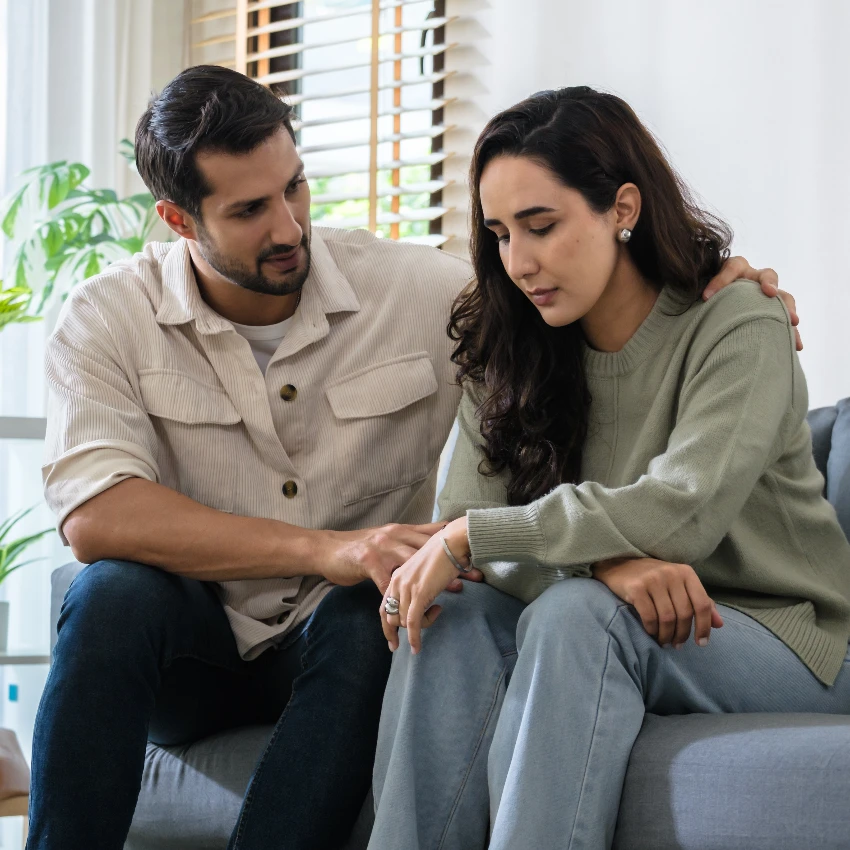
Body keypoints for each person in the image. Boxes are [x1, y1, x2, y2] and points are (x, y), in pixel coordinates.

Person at [29, 66, 788, 850]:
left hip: (345, 636)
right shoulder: (107, 316)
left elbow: (562, 297)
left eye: (294, 188)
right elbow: (97, 515)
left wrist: (730, 287)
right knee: (109, 596)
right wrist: (328, 549)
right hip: (195, 646)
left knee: (391, 605)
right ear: (180, 221)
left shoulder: (425, 292)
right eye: (250, 210)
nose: (288, 227)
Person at [370, 86, 850, 850]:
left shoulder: (738, 322)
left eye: (542, 226)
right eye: (499, 233)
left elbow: (680, 511)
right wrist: (601, 568)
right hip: (622, 612)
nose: (518, 262)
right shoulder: (514, 344)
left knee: (578, 616)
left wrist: (560, 569)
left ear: (622, 208)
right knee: (453, 619)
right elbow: (468, 532)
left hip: (779, 632)